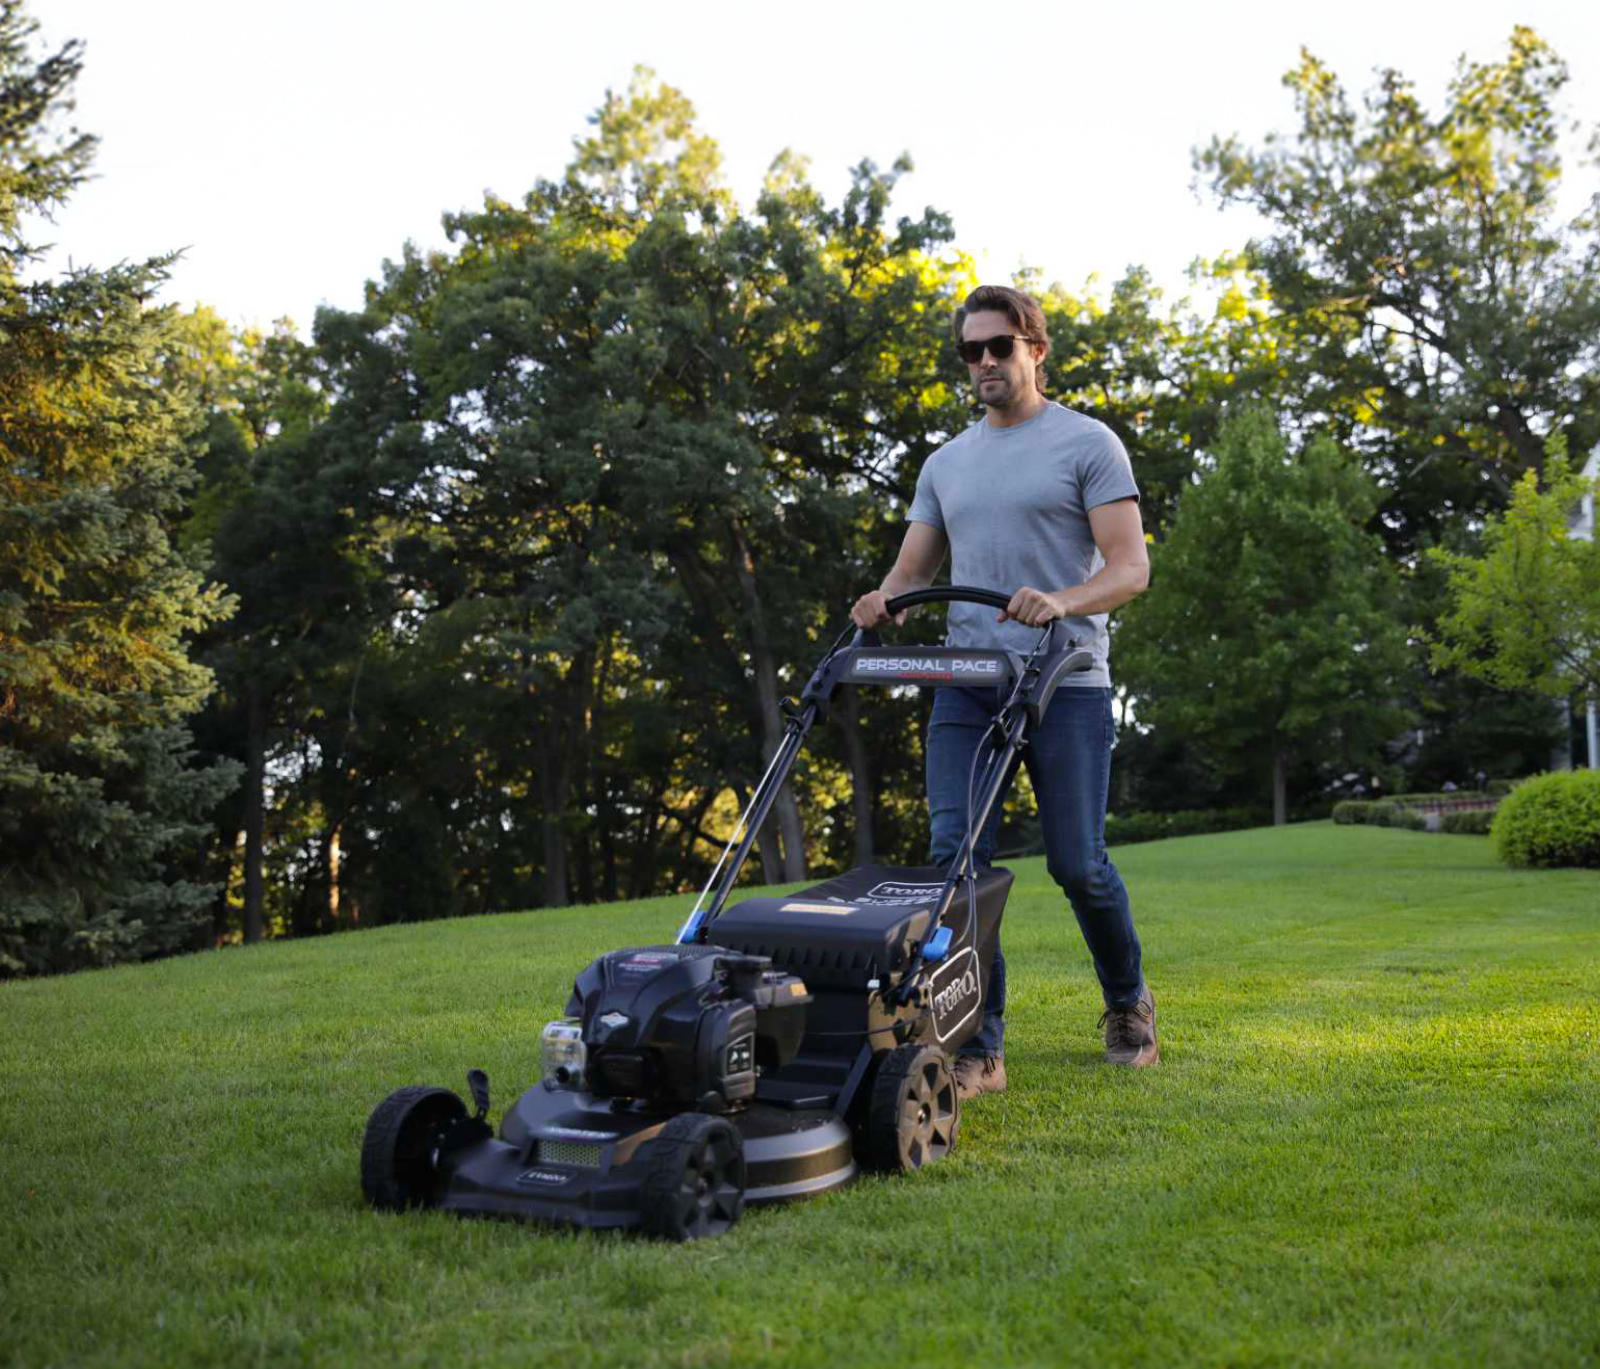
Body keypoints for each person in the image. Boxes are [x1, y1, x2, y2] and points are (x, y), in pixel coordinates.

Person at [851, 283, 1156, 1095]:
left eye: (999, 347)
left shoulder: (1088, 444)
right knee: (957, 862)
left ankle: (1128, 1002)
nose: (984, 362)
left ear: (1035, 349)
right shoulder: (947, 463)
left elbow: (1130, 568)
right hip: (968, 683)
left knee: (1077, 863)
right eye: (970, 351)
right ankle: (980, 1045)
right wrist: (883, 597)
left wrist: (1062, 599)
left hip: (1065, 682)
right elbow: (913, 568)